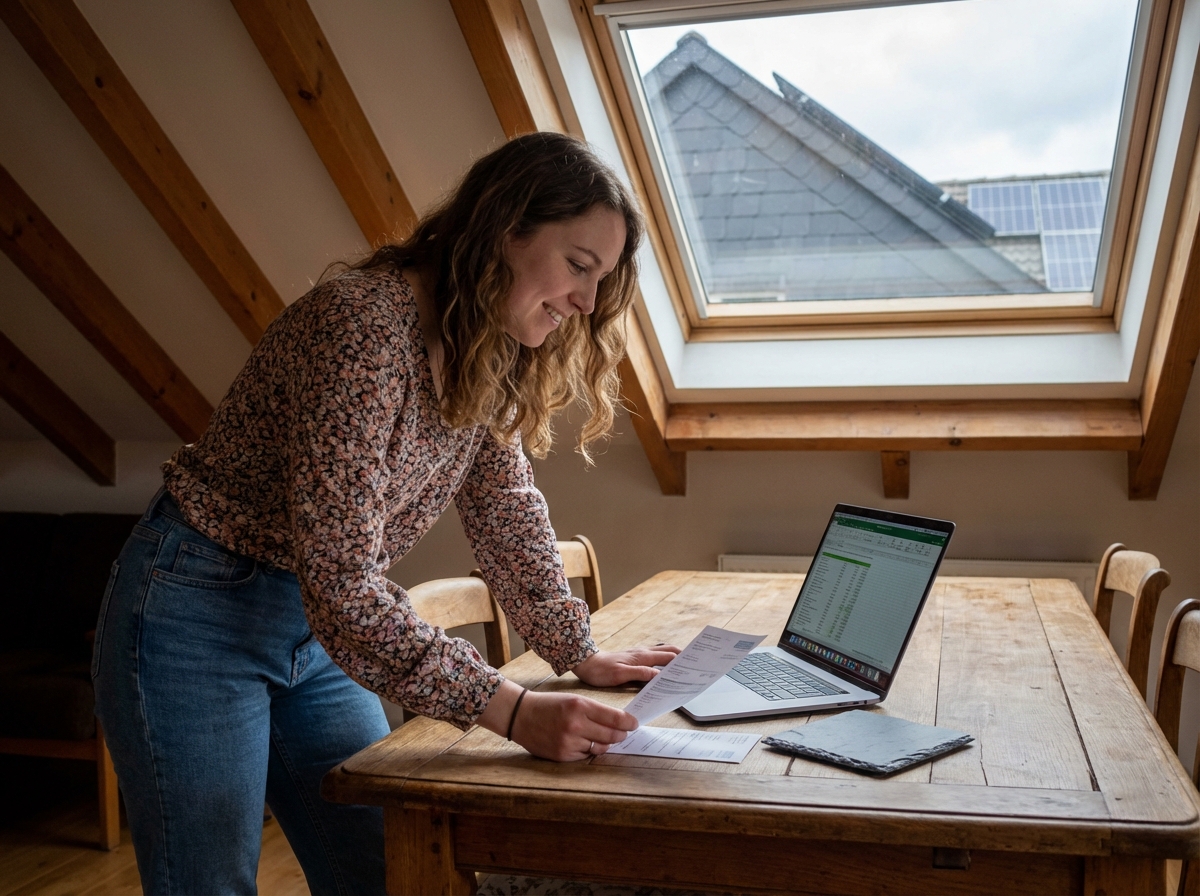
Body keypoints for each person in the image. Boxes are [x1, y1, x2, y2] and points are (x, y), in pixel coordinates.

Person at [92, 132, 681, 895]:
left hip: (315, 629)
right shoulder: (364, 326)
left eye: (602, 280)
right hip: (194, 614)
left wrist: (577, 649)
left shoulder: (485, 343)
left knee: (385, 872)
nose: (588, 302)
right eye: (578, 265)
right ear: (505, 229)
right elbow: (342, 580)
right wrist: (511, 711)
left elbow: (504, 505)